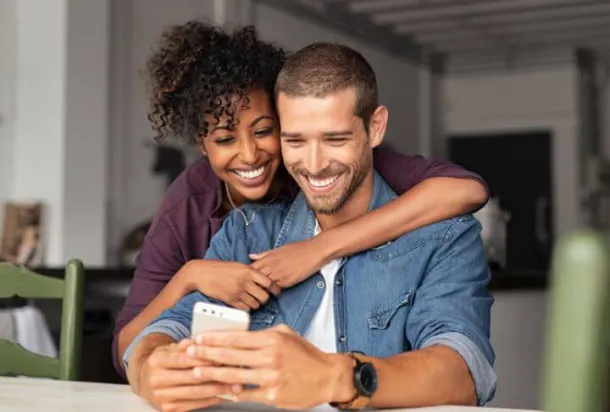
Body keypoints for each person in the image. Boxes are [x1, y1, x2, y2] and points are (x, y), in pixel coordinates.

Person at [123, 42, 496, 412]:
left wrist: (336, 377)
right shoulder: (246, 231)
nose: (315, 165)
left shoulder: (444, 236)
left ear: (375, 127)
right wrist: (148, 369)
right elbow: (164, 330)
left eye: (335, 139)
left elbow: (462, 371)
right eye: (295, 140)